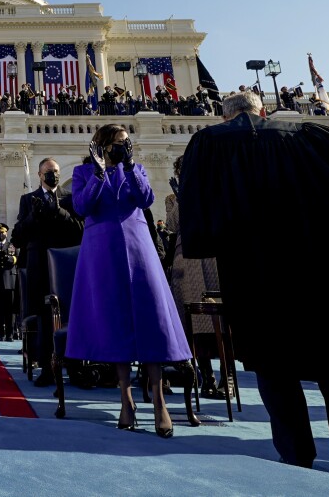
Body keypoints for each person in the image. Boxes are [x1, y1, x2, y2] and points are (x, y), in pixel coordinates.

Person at [179, 89, 329, 480]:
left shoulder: (209, 142)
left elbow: (197, 211)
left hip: (255, 271)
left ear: (224, 116)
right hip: (321, 268)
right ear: (262, 110)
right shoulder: (306, 133)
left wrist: (210, 240)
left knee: (273, 367)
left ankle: (296, 457)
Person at [67, 124, 191, 438]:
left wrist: (131, 167)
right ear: (102, 145)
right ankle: (126, 398)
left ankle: (159, 401)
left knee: (150, 318)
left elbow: (146, 198)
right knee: (116, 321)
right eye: (117, 143)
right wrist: (99, 171)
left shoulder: (137, 169)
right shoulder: (84, 172)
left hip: (139, 247)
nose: (122, 147)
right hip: (102, 250)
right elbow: (82, 206)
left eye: (126, 143)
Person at [11, 157, 81, 386]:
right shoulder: (28, 200)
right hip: (39, 265)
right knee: (43, 315)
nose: (54, 175)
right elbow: (18, 236)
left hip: (64, 265)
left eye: (57, 171)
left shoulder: (69, 200)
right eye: (49, 172)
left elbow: (79, 231)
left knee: (69, 314)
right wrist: (33, 217)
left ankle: (73, 364)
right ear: (40, 175)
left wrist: (59, 212)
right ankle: (46, 367)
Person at [162, 159, 225, 400]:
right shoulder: (171, 199)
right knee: (193, 322)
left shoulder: (211, 193)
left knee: (218, 318)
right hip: (185, 261)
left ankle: (226, 377)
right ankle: (206, 378)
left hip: (212, 258)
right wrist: (181, 198)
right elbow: (173, 225)